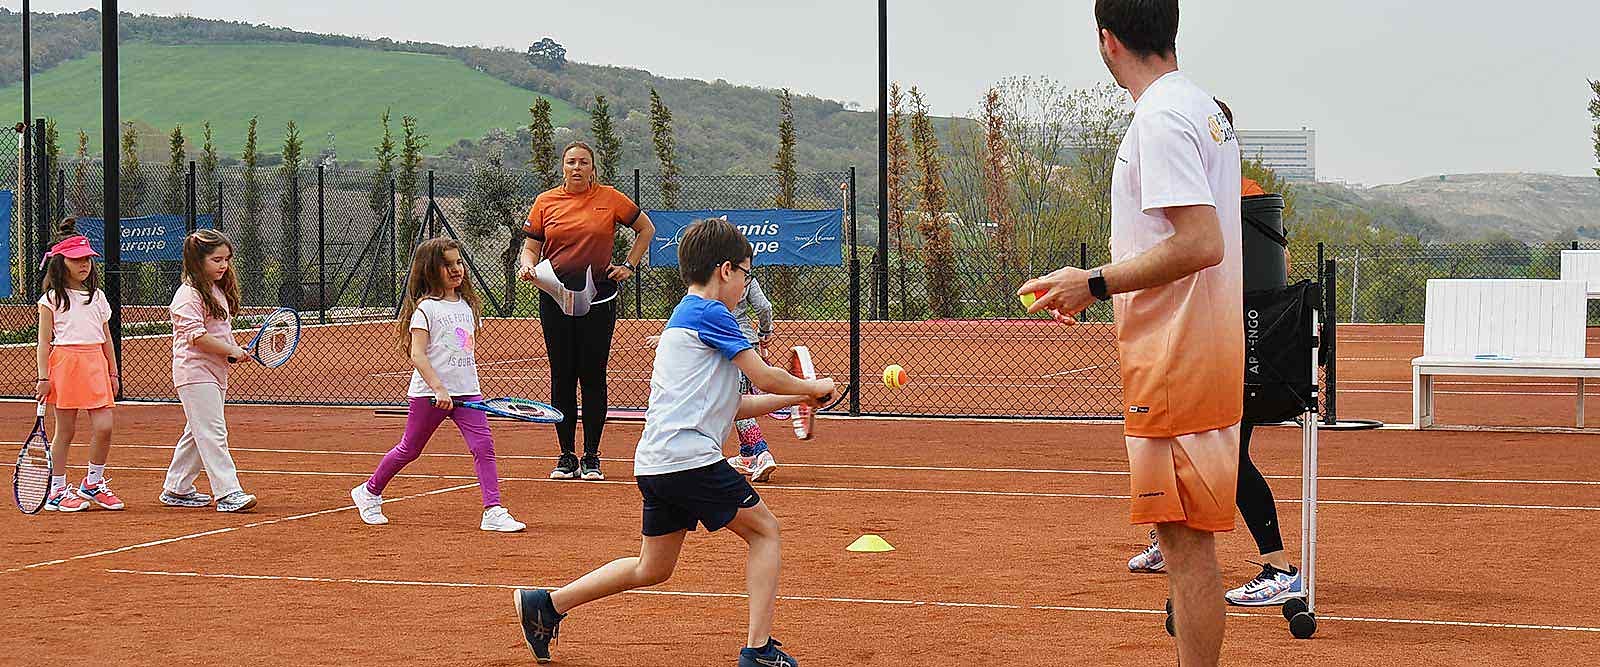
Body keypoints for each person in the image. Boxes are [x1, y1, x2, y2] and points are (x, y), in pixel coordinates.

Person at [1023, 1, 1243, 663]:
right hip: (1184, 348)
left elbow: (1200, 242)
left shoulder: (1162, 117)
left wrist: (1091, 282)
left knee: (1185, 545)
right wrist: (1098, 289)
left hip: (1177, 357)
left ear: (1107, 39)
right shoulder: (1197, 107)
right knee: (1181, 545)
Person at [513, 218, 834, 667]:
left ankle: (547, 604)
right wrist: (811, 387)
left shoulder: (684, 317)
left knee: (653, 568)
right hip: (688, 460)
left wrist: (799, 396)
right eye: (745, 272)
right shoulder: (712, 313)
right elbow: (762, 374)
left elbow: (732, 407)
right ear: (725, 270)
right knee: (765, 532)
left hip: (659, 462)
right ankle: (758, 651)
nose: (746, 282)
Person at [1130, 98, 1305, 609]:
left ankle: (1278, 566)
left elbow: (1268, 265)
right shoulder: (1187, 189)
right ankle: (1169, 542)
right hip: (1188, 341)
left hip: (1231, 343)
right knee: (1171, 445)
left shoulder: (1240, 197)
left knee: (1231, 458)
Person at [350, 238, 526, 532]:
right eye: (448, 264)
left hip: (468, 393)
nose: (456, 269)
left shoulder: (468, 307)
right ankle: (369, 492)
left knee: (483, 446)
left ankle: (493, 511)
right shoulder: (425, 310)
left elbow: (462, 352)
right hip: (429, 395)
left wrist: (460, 386)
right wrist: (438, 388)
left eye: (459, 263)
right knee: (410, 449)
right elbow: (417, 354)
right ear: (431, 269)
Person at [519, 141, 657, 482]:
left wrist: (628, 265)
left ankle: (592, 456)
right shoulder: (545, 202)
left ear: (593, 168)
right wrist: (527, 266)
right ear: (562, 167)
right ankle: (566, 456)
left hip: (599, 299)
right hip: (555, 300)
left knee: (593, 375)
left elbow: (646, 229)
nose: (577, 167)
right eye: (571, 162)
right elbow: (530, 247)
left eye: (583, 162)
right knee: (561, 376)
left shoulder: (610, 198)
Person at [161, 229, 258, 512]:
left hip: (214, 372)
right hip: (194, 373)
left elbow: (217, 333)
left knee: (197, 430)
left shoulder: (216, 290)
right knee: (213, 431)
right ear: (197, 260)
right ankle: (228, 494)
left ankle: (177, 489)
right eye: (216, 259)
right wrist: (230, 350)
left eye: (226, 259)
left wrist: (231, 350)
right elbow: (197, 336)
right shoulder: (187, 296)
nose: (223, 265)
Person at [36, 219, 121, 512]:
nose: (85, 264)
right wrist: (43, 377)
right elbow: (44, 343)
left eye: (87, 259)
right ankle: (57, 491)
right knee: (66, 431)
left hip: (95, 364)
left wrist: (113, 371)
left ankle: (93, 484)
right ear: (61, 263)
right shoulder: (50, 300)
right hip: (65, 366)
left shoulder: (97, 297)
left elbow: (107, 339)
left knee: (105, 426)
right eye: (77, 259)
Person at [725, 271, 780, 482]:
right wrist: (765, 332)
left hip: (725, 343)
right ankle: (747, 456)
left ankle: (761, 453)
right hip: (749, 343)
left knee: (734, 402)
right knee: (740, 397)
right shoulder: (748, 277)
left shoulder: (710, 277)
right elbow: (765, 307)